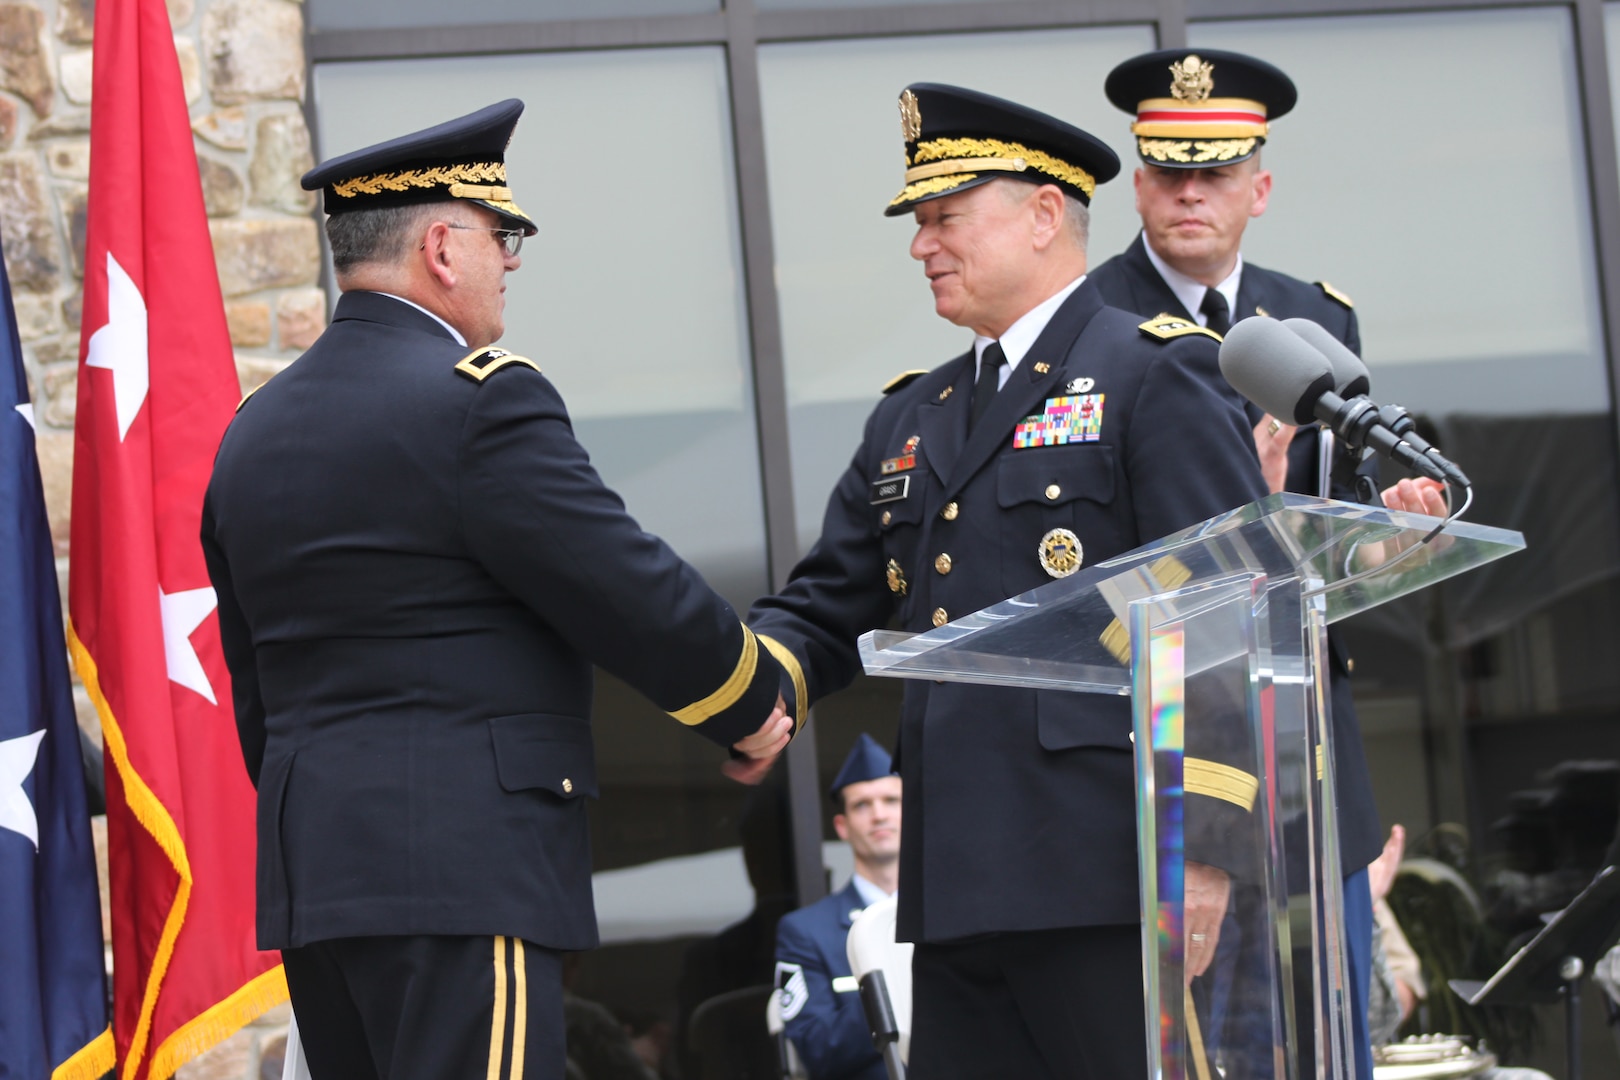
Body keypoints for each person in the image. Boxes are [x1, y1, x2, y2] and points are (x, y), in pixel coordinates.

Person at [200, 99, 796, 1080]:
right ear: (442, 245)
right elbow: (618, 580)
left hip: (317, 881)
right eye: (501, 235)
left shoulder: (251, 434)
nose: (510, 261)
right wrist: (747, 697)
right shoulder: (476, 399)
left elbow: (256, 688)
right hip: (462, 870)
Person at [747, 83, 1270, 1079]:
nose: (922, 245)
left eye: (945, 218)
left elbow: (1220, 611)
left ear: (1042, 216)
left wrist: (1203, 847)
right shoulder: (912, 414)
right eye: (919, 223)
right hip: (954, 891)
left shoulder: (1154, 373)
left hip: (1100, 875)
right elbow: (827, 603)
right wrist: (737, 688)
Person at [1087, 50, 1445, 1080]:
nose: (1191, 191)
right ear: (1140, 181)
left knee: (1327, 1036)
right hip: (1164, 743)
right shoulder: (1095, 322)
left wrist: (1388, 543)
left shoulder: (1314, 318)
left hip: (1306, 748)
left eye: (1217, 171)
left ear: (1261, 186)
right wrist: (1230, 497)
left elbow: (1327, 560)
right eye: (1168, 171)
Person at [774, 734, 901, 1080]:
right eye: (862, 804)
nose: (878, 815)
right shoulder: (806, 931)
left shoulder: (949, 914)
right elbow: (816, 1047)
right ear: (842, 827)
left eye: (891, 800)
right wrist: (898, 986)